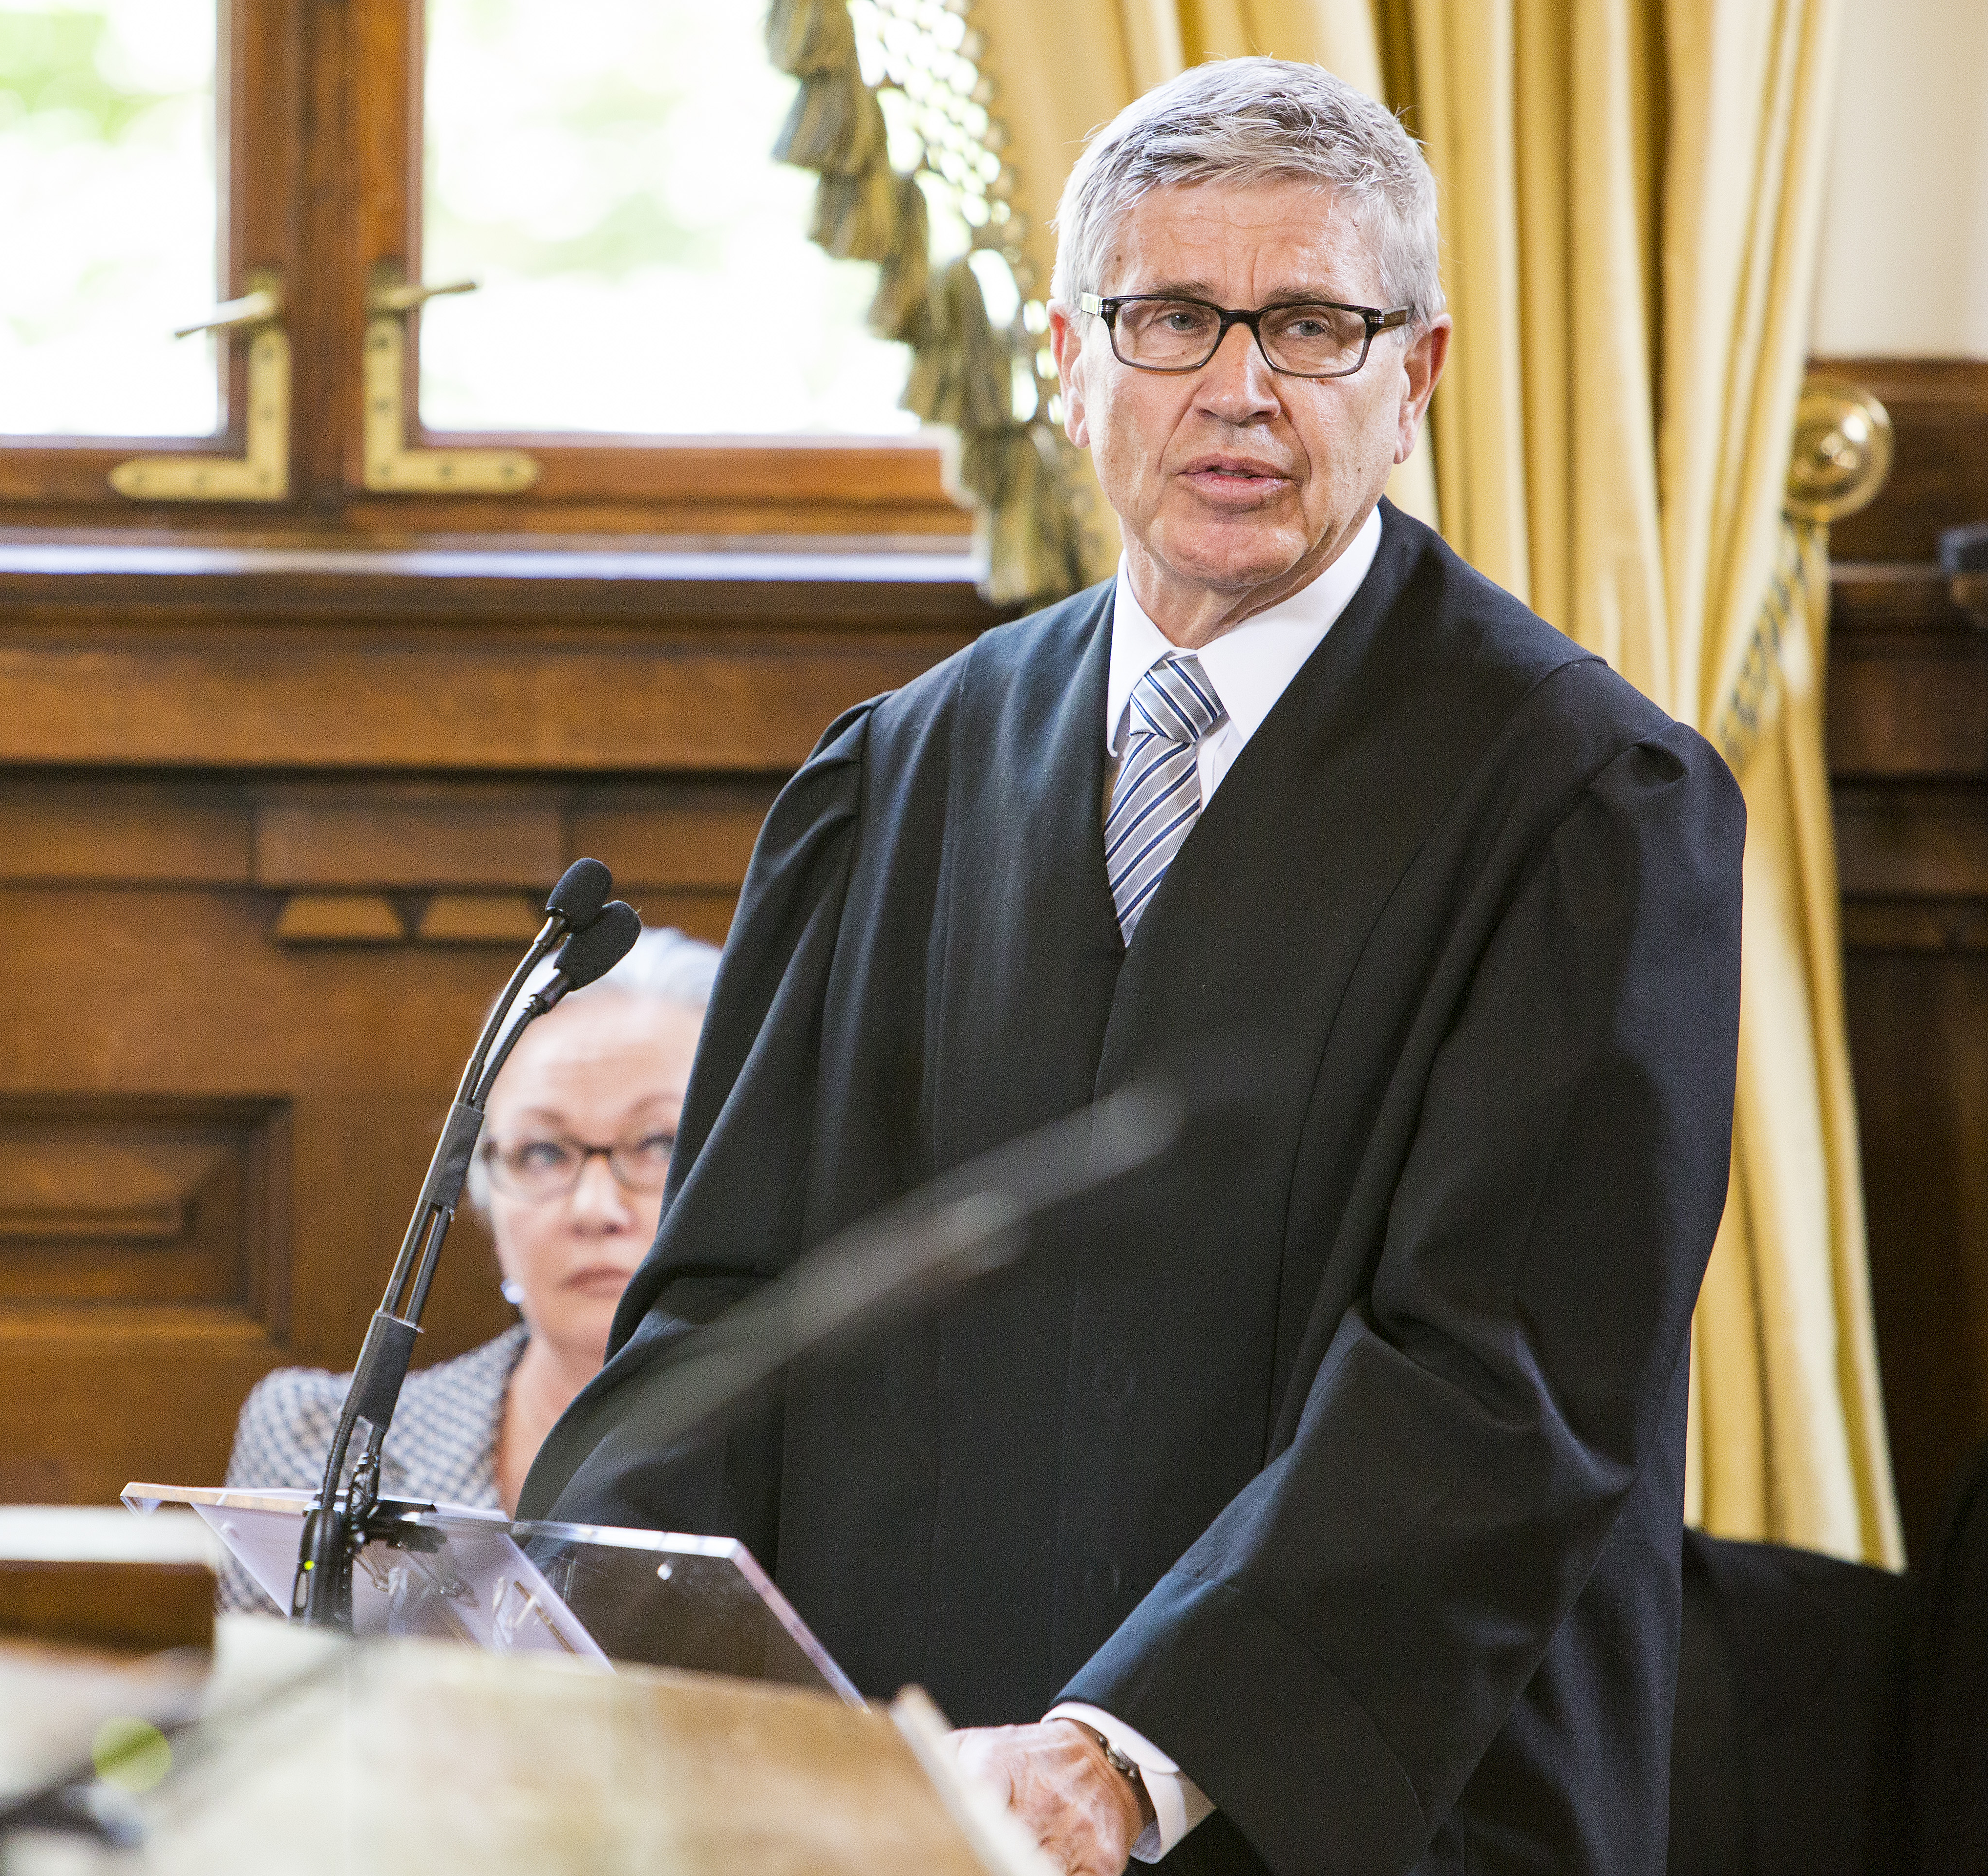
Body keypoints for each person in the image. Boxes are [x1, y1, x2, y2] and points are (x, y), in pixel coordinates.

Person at [522, 58, 1742, 1876]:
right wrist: (611, 1650)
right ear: (1067, 358)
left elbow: (1503, 1388)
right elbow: (718, 1319)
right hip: (914, 1817)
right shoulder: (894, 778)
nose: (1236, 389)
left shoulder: (1581, 803)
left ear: (1411, 381)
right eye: (1171, 316)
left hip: (1348, 1808)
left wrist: (1134, 1746)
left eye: (1312, 324)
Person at [218, 928, 719, 1610]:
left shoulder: (815, 1473)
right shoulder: (315, 1448)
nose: (595, 1208)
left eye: (660, 1143)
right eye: (544, 1153)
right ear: (482, 1188)